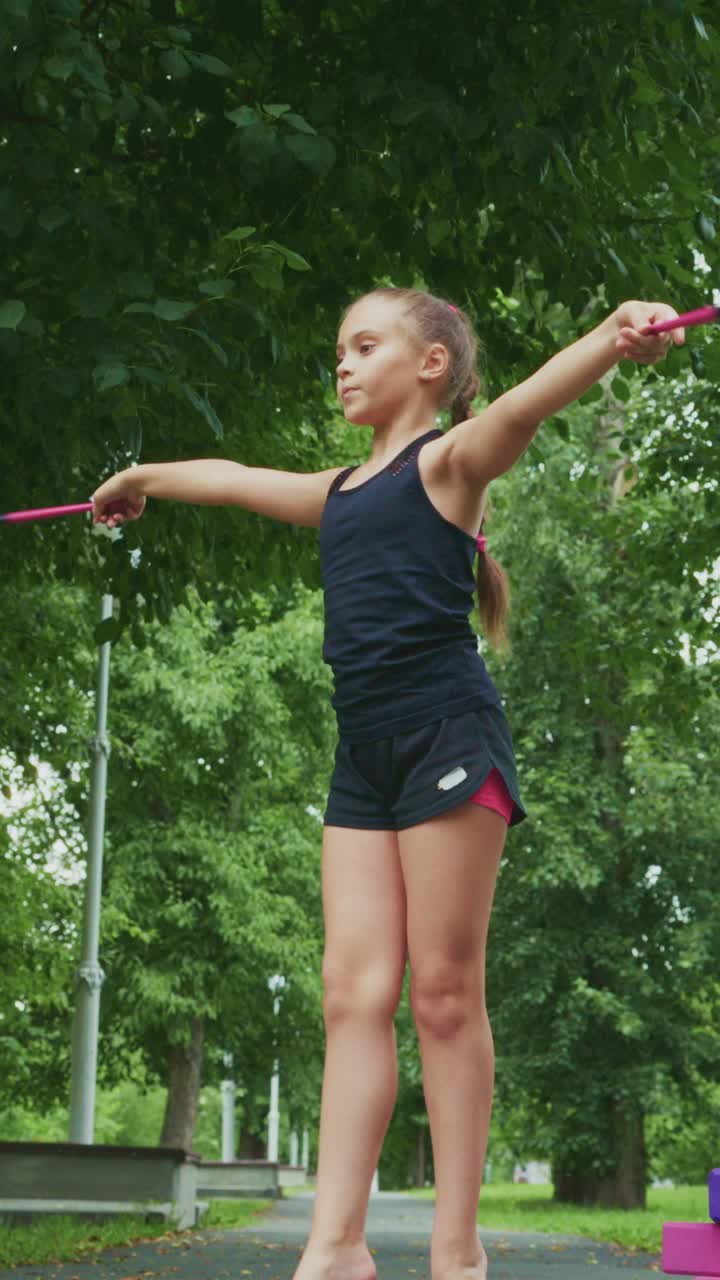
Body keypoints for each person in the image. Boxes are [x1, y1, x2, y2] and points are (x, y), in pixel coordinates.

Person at [92, 289, 682, 1280]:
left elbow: (527, 404)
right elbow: (236, 478)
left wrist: (614, 332)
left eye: (366, 345)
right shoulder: (338, 490)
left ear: (432, 366)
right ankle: (337, 1243)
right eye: (339, 349)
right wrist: (142, 475)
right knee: (350, 991)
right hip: (363, 753)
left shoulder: (448, 464)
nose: (343, 363)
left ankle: (457, 1251)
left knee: (444, 993)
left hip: (449, 733)